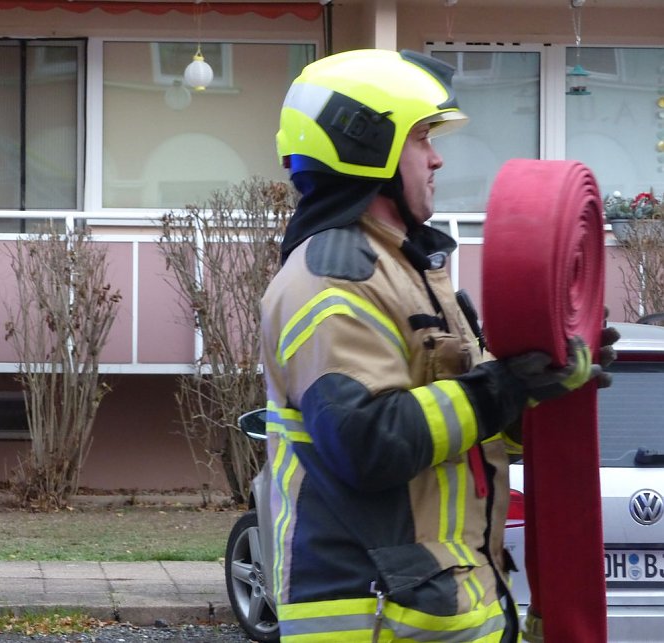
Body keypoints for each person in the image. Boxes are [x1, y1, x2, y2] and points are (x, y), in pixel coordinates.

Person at [260, 49, 617, 643]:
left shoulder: (407, 269)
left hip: (441, 609)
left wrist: (549, 383)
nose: (438, 156)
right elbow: (367, 442)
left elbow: (466, 435)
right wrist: (503, 386)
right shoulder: (332, 275)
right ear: (368, 146)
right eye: (422, 136)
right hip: (377, 619)